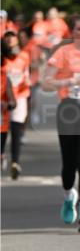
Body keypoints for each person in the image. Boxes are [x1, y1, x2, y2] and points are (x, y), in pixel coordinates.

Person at [42, 15, 80, 232]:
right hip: (68, 108)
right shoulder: (63, 53)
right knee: (69, 163)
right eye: (79, 29)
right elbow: (45, 83)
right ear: (72, 31)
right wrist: (69, 81)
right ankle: (69, 196)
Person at [1, 31, 31, 179]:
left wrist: (27, 82)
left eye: (12, 42)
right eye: (7, 43)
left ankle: (15, 162)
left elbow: (26, 76)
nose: (10, 46)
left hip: (19, 97)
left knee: (17, 130)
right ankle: (1, 155)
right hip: (3, 99)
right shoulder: (2, 59)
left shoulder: (24, 57)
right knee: (3, 130)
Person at [1, 52, 17, 171]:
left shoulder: (5, 79)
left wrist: (8, 104)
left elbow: (13, 102)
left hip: (1, 122)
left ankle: (2, 156)